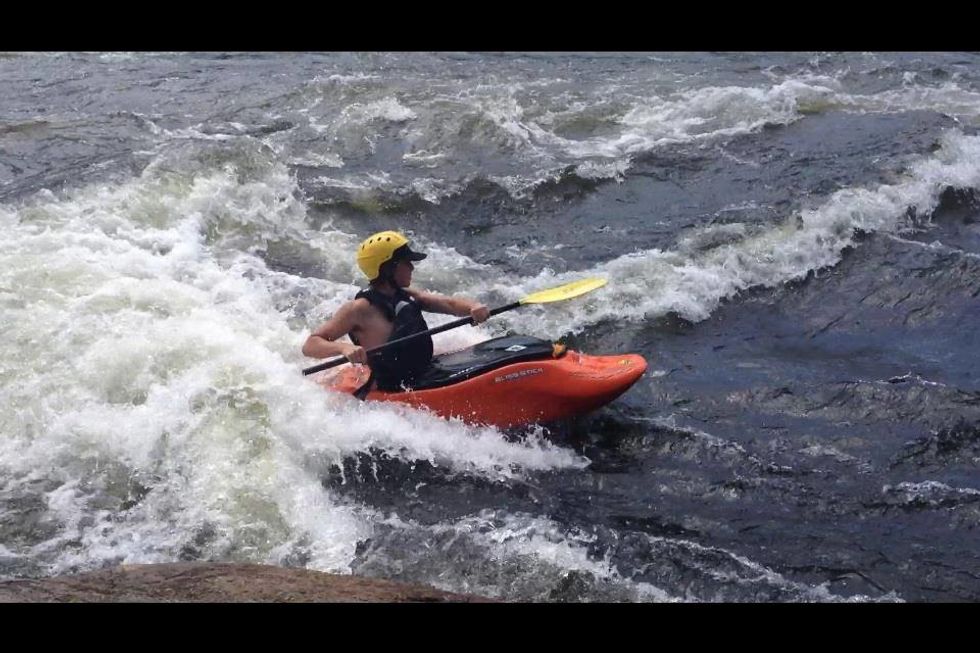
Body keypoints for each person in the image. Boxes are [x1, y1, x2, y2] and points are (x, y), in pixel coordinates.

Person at [302, 230, 490, 394]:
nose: (412, 267)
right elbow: (311, 345)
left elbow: (449, 304)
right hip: (393, 386)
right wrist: (344, 348)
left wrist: (472, 307)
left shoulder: (408, 296)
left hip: (424, 373)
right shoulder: (358, 309)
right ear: (388, 268)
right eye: (406, 262)